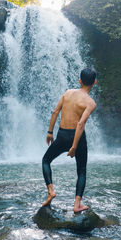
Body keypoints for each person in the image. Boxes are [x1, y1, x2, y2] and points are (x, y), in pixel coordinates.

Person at [42, 68, 97, 213]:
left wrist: (49, 132)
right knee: (82, 171)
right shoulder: (91, 103)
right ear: (94, 83)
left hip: (61, 135)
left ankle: (51, 191)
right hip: (78, 138)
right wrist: (74, 146)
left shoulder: (67, 93)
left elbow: (55, 112)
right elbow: (80, 124)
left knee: (46, 160)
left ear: (79, 81)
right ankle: (77, 205)